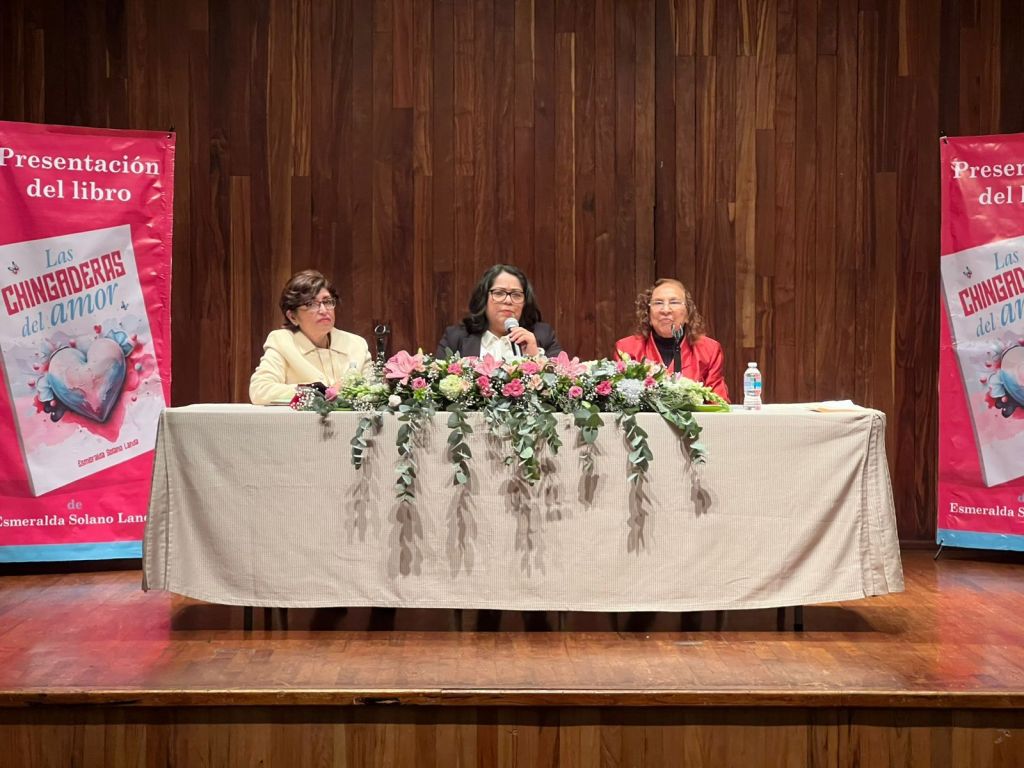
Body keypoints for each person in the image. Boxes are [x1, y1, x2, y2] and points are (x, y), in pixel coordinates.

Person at [249, 270, 372, 405]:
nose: (323, 310)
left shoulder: (356, 345)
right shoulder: (282, 342)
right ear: (292, 316)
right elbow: (260, 391)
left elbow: (374, 393)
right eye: (311, 304)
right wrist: (318, 392)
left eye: (327, 302)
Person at [614, 278, 729, 401]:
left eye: (674, 302)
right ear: (648, 314)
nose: (665, 310)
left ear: (688, 314)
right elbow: (620, 401)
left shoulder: (709, 350)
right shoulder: (627, 349)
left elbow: (718, 403)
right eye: (658, 303)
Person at [437, 264, 562, 359]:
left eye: (516, 295)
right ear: (483, 298)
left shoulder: (543, 336)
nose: (508, 301)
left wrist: (535, 358)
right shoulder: (455, 337)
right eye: (499, 293)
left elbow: (562, 381)